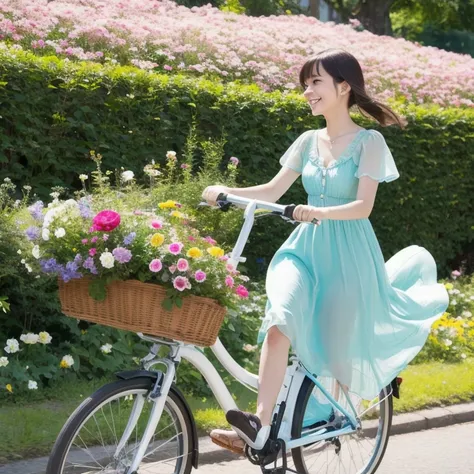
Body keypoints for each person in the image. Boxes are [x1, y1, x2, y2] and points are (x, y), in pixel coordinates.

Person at [201, 48, 449, 455]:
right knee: (280, 321)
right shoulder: (306, 141)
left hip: (349, 257)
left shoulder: (369, 142)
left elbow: (363, 206)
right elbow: (272, 191)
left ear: (344, 86)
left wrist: (317, 210)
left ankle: (313, 417)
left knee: (333, 352)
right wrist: (227, 193)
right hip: (303, 249)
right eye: (305, 84)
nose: (308, 91)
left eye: (316, 82)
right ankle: (259, 428)